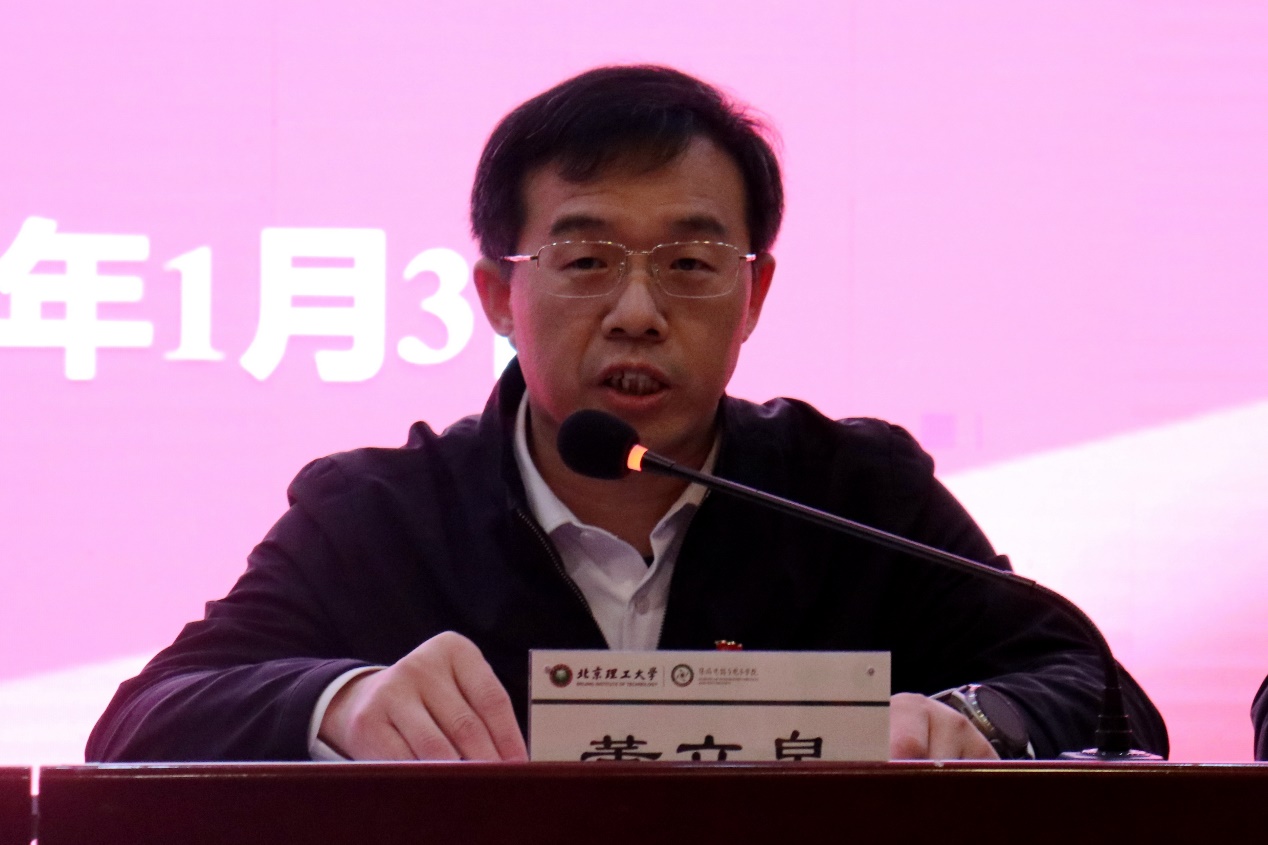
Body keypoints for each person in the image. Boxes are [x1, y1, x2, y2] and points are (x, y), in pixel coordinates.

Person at [87, 65, 1167, 763]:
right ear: (498, 296)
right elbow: (140, 718)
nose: (638, 312)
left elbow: (1100, 693)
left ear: (754, 293)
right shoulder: (381, 511)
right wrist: (342, 701)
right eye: (587, 260)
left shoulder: (851, 492)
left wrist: (972, 720)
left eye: (690, 263)